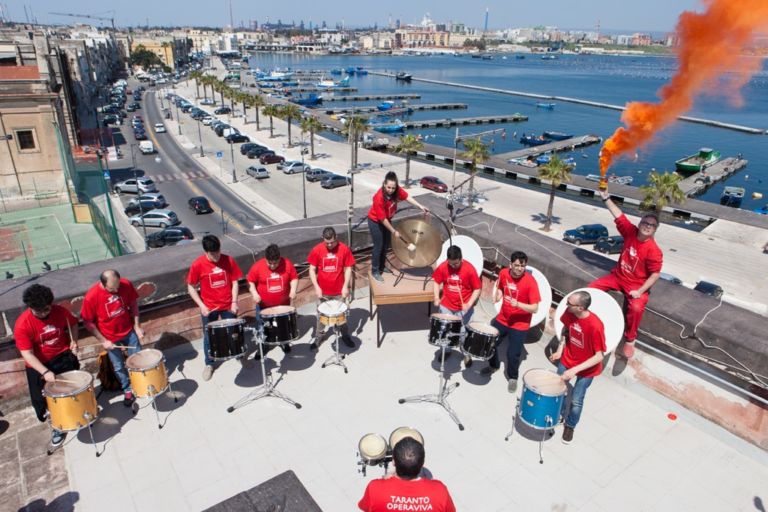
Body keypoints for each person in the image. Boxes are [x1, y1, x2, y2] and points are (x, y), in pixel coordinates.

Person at [591, 189, 663, 359]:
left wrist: (640, 291)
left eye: (651, 225)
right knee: (592, 288)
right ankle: (591, 317)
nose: (647, 226)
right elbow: (618, 215)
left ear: (655, 229)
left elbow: (655, 275)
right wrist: (606, 197)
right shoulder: (630, 232)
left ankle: (630, 339)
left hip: (637, 284)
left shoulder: (654, 251)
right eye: (645, 223)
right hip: (617, 277)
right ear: (639, 224)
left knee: (636, 307)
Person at [14, 284, 80, 447]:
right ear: (30, 307)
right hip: (39, 364)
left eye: (47, 309)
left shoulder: (60, 311)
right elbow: (27, 353)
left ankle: (77, 413)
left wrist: (74, 341)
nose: (44, 313)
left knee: (72, 388)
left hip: (62, 356)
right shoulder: (23, 324)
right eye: (39, 311)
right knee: (44, 399)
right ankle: (57, 425)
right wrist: (44, 372)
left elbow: (73, 324)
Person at [549, 291, 606, 444]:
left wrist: (574, 370)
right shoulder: (569, 313)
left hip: (587, 370)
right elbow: (565, 330)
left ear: (580, 308)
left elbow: (599, 356)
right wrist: (560, 350)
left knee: (576, 400)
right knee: (559, 390)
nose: (566, 305)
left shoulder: (595, 326)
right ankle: (558, 414)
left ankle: (570, 425)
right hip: (568, 359)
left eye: (569, 303)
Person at [81, 269, 144, 406]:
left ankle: (140, 383)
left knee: (137, 358)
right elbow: (88, 322)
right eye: (112, 288)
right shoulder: (91, 297)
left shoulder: (125, 284)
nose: (116, 290)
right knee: (118, 366)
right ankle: (127, 389)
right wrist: (104, 341)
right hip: (109, 337)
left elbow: (133, 304)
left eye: (118, 287)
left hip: (128, 330)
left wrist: (137, 326)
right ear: (103, 284)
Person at [187, 235, 244, 381]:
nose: (217, 256)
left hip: (227, 305)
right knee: (208, 336)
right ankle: (209, 363)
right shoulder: (198, 264)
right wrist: (202, 306)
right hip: (209, 308)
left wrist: (234, 301)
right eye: (213, 254)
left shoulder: (228, 260)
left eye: (218, 252)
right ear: (206, 252)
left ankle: (239, 355)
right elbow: (191, 287)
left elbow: (235, 282)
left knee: (234, 331)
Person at [488, 251, 541, 393]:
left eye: (522, 266)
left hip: (520, 325)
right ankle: (493, 365)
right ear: (510, 264)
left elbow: (535, 308)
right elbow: (501, 288)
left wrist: (518, 304)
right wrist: (498, 295)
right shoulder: (504, 273)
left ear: (525, 266)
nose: (519, 269)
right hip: (503, 318)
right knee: (490, 343)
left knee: (513, 354)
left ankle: (513, 377)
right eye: (516, 265)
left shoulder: (530, 282)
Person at [358, 436, 456, 512]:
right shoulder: (439, 491)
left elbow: (365, 508)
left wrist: (385, 481)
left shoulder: (375, 488)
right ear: (422, 463)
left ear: (393, 462)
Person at [367, 171, 429, 282]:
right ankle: (375, 271)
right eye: (388, 187)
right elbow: (382, 219)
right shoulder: (378, 197)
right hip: (376, 221)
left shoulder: (396, 191)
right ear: (384, 184)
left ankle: (382, 266)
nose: (391, 190)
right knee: (379, 245)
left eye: (393, 188)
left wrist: (420, 206)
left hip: (387, 219)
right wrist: (393, 231)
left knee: (386, 245)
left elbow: (407, 197)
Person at [307, 227, 356, 349]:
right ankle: (319, 337)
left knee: (341, 316)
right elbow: (312, 270)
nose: (329, 245)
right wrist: (317, 287)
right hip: (323, 292)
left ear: (336, 238)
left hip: (339, 291)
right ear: (322, 239)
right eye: (326, 242)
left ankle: (345, 335)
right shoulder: (317, 250)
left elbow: (349, 268)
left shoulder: (344, 249)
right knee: (321, 317)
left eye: (332, 242)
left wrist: (345, 286)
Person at [432, 245, 481, 366]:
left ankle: (466, 354)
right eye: (451, 264)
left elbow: (477, 288)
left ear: (461, 259)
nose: (453, 267)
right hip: (446, 306)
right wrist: (436, 297)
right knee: (446, 331)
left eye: (456, 264)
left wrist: (469, 304)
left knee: (464, 333)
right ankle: (447, 351)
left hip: (464, 309)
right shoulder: (444, 266)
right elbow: (436, 281)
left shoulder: (469, 269)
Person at [247, 243, 298, 356]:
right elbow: (250, 281)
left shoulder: (287, 264)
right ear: (266, 259)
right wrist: (254, 293)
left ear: (279, 258)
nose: (273, 266)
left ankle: (283, 342)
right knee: (263, 327)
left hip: (282, 305)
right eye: (270, 263)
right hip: (264, 306)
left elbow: (294, 278)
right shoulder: (258, 266)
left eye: (275, 263)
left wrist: (293, 290)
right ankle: (264, 346)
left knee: (282, 326)